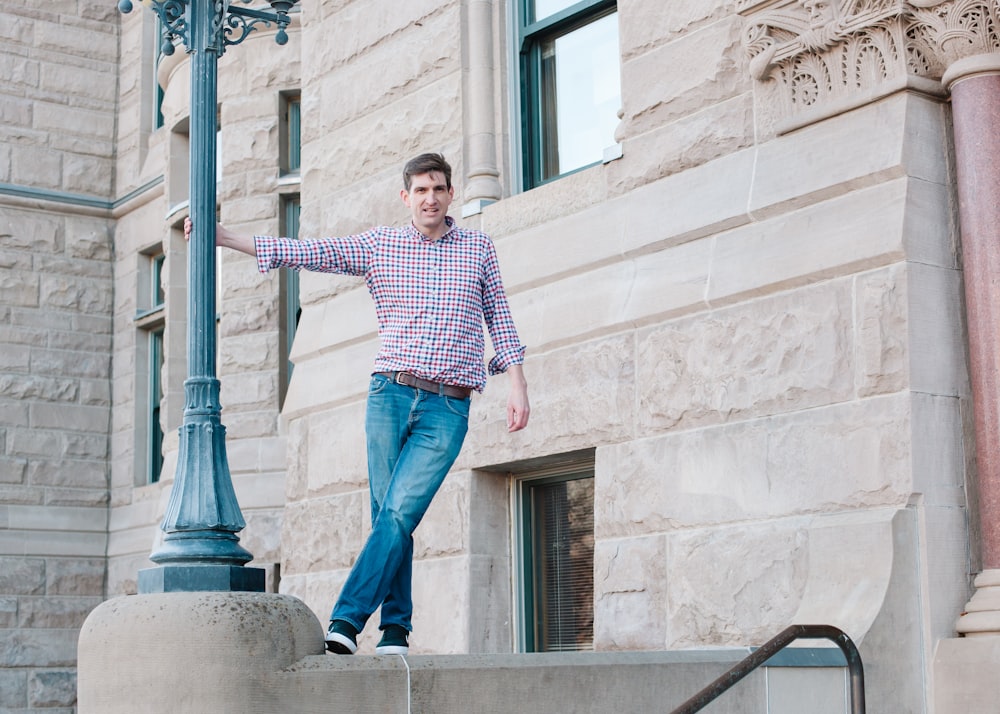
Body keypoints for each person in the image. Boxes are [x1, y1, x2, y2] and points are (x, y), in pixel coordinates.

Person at [187, 153, 529, 656]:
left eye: (438, 188)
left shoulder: (478, 248)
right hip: (390, 394)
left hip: (448, 409)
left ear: (452, 193)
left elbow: (499, 313)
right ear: (406, 196)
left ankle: (346, 620)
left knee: (399, 511)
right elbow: (308, 251)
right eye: (420, 190)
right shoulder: (382, 245)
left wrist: (517, 383)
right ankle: (395, 631)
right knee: (392, 516)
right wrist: (225, 237)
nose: (430, 198)